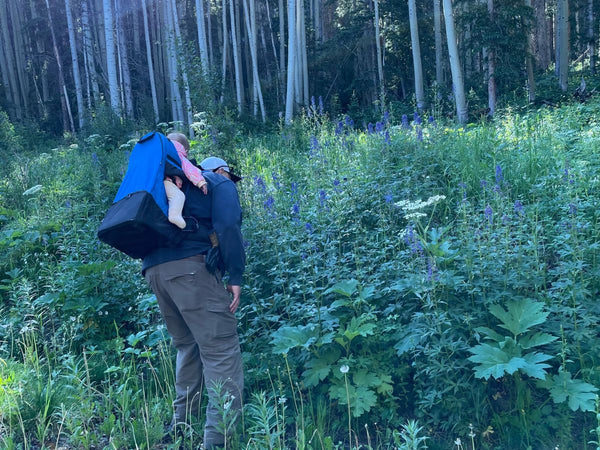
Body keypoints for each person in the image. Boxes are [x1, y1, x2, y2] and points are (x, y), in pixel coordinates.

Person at [143, 156, 245, 448]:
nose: (230, 181)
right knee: (220, 350)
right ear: (220, 171)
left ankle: (181, 430)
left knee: (187, 347)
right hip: (190, 270)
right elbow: (228, 226)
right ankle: (218, 441)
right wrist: (235, 275)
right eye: (229, 175)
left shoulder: (168, 183)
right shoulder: (216, 183)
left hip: (155, 272)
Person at [163, 132, 208, 229]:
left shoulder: (163, 152)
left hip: (159, 182)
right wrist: (200, 181)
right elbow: (189, 169)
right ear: (186, 151)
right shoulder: (177, 153)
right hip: (166, 183)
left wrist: (176, 177)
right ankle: (175, 216)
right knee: (178, 196)